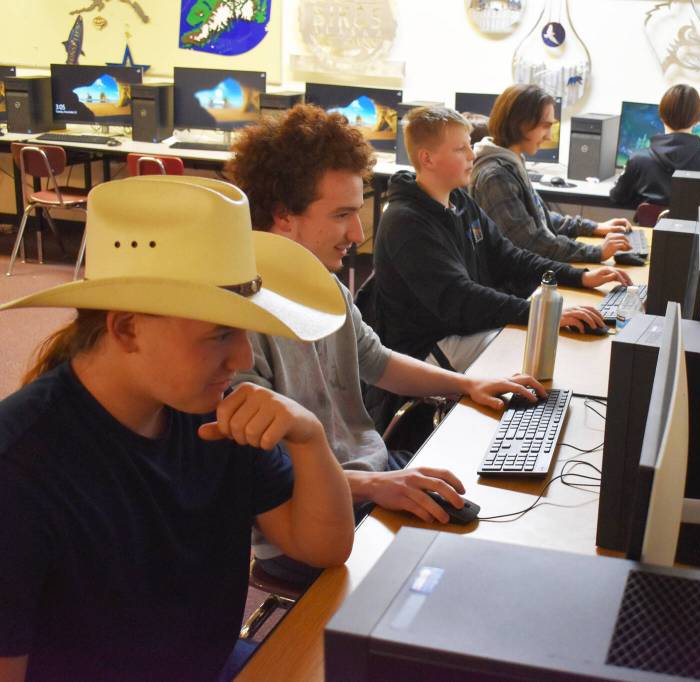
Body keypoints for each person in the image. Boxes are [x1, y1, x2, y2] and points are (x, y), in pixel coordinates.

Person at [0, 175, 355, 682]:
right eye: (220, 335)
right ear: (126, 328)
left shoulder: (215, 415)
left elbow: (322, 547)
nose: (243, 358)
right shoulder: (19, 473)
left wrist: (309, 437)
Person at [227, 104, 547, 584]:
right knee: (462, 576)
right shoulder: (234, 325)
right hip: (309, 521)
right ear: (282, 216)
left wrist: (468, 385)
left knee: (497, 521)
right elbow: (269, 476)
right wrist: (382, 483)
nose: (358, 235)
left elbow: (375, 361)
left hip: (372, 476)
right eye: (342, 216)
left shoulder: (322, 284)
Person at [373, 106, 633, 373]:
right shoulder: (406, 222)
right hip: (426, 346)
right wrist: (541, 315)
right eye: (460, 149)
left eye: (469, 146)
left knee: (552, 345)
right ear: (427, 159)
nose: (472, 155)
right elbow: (460, 297)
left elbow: (510, 256)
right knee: (539, 353)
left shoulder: (459, 201)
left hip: (465, 327)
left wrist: (579, 277)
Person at [469, 84, 633, 263]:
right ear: (520, 123)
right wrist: (597, 252)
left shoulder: (510, 161)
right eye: (545, 126)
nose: (548, 136)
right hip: (518, 284)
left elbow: (540, 218)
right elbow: (530, 242)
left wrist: (595, 227)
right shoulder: (495, 175)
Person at [609, 83, 700, 209]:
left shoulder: (637, 160)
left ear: (662, 116)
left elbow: (617, 196)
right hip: (693, 229)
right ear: (697, 119)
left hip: (648, 228)